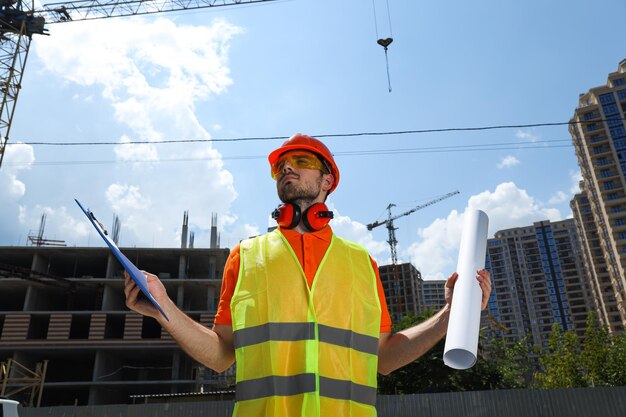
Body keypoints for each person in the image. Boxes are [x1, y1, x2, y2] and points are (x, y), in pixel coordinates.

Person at [124, 133, 492, 417]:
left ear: (327, 180)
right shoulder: (246, 256)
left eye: (300, 160)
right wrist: (163, 308)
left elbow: (383, 357)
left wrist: (450, 316)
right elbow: (221, 355)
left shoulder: (361, 262)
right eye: (279, 166)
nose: (286, 168)